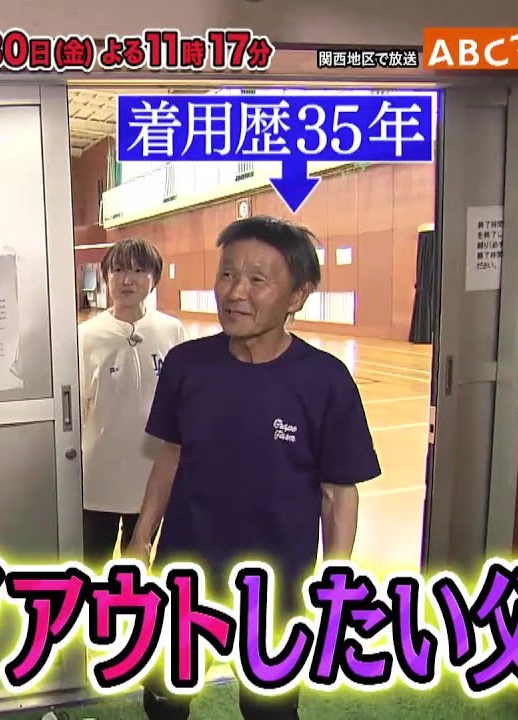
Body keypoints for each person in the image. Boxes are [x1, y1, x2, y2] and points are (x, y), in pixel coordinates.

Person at [126, 216, 381, 720]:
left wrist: (336, 581)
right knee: (165, 699)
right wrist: (140, 541)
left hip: (276, 583)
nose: (235, 292)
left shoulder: (326, 382)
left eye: (257, 279)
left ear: (297, 296)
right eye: (227, 274)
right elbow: (170, 456)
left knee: (269, 709)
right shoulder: (186, 365)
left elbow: (338, 493)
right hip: (186, 570)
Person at [78, 238, 189, 571]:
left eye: (139, 270)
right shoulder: (85, 336)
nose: (127, 280)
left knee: (138, 565)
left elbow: (182, 405)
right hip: (98, 476)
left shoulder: (171, 330)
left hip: (151, 476)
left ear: (154, 278)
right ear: (106, 277)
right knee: (91, 564)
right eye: (118, 270)